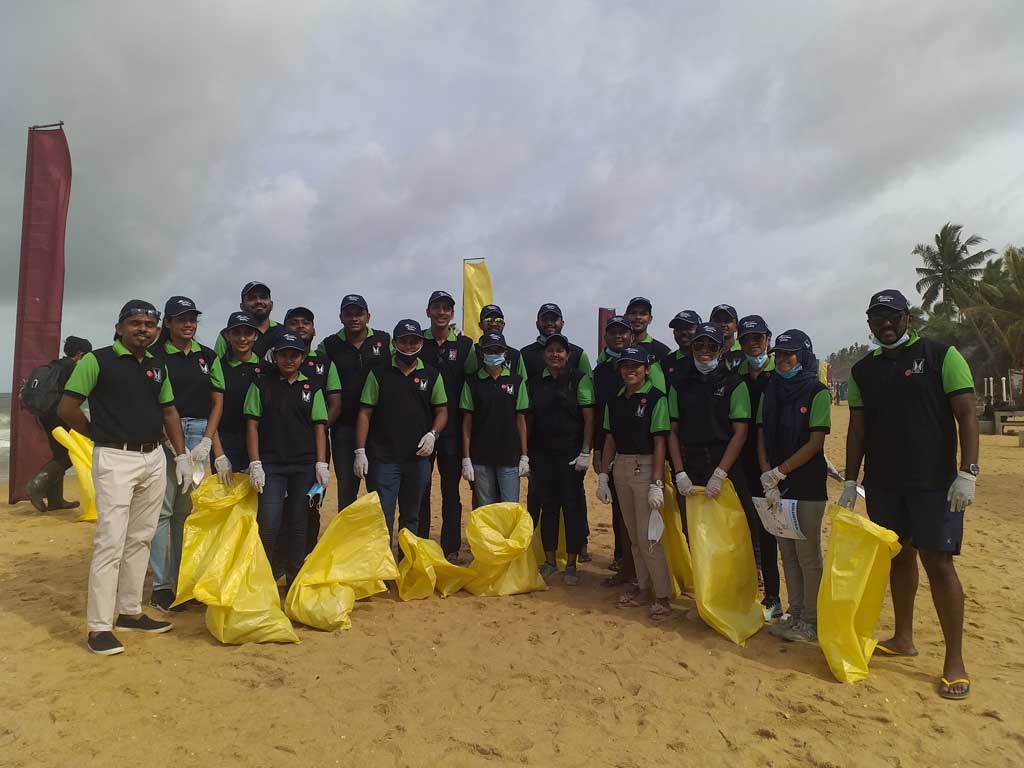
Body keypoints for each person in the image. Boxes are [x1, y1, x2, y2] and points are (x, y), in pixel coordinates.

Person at [840, 289, 978, 701]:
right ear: (868, 323)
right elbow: (857, 430)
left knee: (939, 563)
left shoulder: (941, 355)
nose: (884, 323)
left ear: (908, 317)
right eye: (876, 317)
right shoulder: (863, 371)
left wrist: (968, 472)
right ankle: (903, 637)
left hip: (935, 484)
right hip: (884, 483)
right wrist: (850, 480)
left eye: (891, 316)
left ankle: (954, 661)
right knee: (898, 558)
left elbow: (967, 413)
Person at [58, 300, 192, 656]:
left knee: (141, 539)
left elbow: (169, 412)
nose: (143, 329)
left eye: (150, 324)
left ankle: (130, 611)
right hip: (115, 458)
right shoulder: (96, 361)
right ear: (120, 328)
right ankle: (99, 627)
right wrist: (99, 436)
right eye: (136, 323)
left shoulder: (157, 365)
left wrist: (181, 456)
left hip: (152, 458)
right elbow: (67, 408)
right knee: (110, 542)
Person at [147, 296, 223, 612]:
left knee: (187, 511)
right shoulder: (155, 355)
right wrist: (168, 439)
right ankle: (163, 586)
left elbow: (218, 400)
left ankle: (184, 579)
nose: (188, 324)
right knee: (163, 511)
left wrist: (208, 441)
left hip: (199, 433)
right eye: (181, 319)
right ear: (168, 323)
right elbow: (154, 400)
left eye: (192, 318)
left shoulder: (207, 356)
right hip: (166, 435)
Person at [757, 329, 831, 642]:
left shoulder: (817, 391)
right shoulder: (769, 389)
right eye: (779, 355)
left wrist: (780, 472)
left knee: (808, 556)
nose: (783, 360)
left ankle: (811, 621)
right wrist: (767, 475)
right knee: (786, 553)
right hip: (775, 487)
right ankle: (794, 613)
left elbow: (815, 442)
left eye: (790, 354)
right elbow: (760, 434)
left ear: (803, 356)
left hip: (806, 485)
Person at [243, 332, 329, 584]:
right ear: (275, 356)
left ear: (302, 358)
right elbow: (251, 426)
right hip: (272, 465)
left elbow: (319, 427)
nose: (289, 360)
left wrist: (321, 463)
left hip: (303, 465)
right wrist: (255, 462)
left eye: (294, 355)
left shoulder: (312, 387)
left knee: (299, 521)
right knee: (269, 522)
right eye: (284, 355)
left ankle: (294, 576)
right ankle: (264, 577)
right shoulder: (261, 385)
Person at [596, 346, 673, 620]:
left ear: (646, 369)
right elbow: (609, 439)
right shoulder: (615, 401)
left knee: (649, 536)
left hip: (646, 467)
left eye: (636, 366)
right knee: (632, 536)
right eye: (626, 366)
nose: (631, 370)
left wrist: (657, 482)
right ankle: (643, 587)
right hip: (622, 468)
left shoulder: (655, 398)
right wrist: (603, 475)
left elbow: (660, 441)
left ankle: (662, 595)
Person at [356, 319, 448, 546]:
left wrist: (433, 434)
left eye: (414, 341)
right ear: (395, 342)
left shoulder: (432, 375)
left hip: (417, 459)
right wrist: (360, 450)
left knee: (412, 516)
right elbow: (365, 413)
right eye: (404, 341)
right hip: (384, 458)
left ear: (421, 343)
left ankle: (407, 567)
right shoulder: (379, 374)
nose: (409, 346)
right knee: (382, 516)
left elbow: (442, 410)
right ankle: (385, 573)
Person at [666, 323, 755, 553]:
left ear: (721, 349)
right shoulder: (679, 383)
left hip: (724, 466)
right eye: (699, 344)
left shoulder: (734, 383)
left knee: (732, 528)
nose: (704, 350)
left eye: (712, 346)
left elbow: (741, 433)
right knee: (693, 529)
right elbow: (672, 431)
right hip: (690, 465)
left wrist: (720, 473)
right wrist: (679, 473)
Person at [520, 302, 594, 560]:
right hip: (541, 453)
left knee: (572, 504)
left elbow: (588, 415)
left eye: (560, 351)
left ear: (567, 353)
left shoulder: (579, 373)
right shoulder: (532, 376)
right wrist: (525, 453)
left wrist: (586, 450)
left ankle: (576, 554)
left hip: (571, 454)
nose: (555, 355)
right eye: (550, 351)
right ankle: (546, 556)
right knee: (545, 504)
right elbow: (527, 418)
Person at [316, 294, 392, 510]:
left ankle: (377, 540)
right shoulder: (329, 345)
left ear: (368, 316)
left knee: (379, 491)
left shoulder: (385, 341)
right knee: (347, 491)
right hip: (344, 429)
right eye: (348, 314)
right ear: (340, 317)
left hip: (379, 430)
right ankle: (347, 541)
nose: (354, 318)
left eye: (359, 313)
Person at [417, 290, 474, 557]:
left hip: (452, 431)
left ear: (452, 313)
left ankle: (450, 549)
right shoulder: (416, 342)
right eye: (436, 307)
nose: (441, 312)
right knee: (420, 490)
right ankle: (420, 546)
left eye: (446, 308)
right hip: (419, 430)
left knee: (450, 492)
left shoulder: (465, 346)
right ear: (427, 312)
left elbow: (475, 385)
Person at [735, 314, 782, 620]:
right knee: (745, 525)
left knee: (772, 531)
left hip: (775, 464)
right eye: (747, 339)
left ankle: (774, 597)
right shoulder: (734, 376)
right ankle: (745, 590)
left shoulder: (783, 373)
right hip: (741, 462)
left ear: (768, 338)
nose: (753, 344)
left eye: (758, 338)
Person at [460, 332, 530, 507]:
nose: (493, 354)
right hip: (480, 456)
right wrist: (466, 458)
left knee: (509, 508)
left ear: (505, 353)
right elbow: (467, 423)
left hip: (509, 455)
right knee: (486, 509)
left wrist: (524, 455)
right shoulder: (472, 383)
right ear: (482, 353)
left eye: (497, 350)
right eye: (489, 350)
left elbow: (521, 420)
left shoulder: (516, 381)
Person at [24, 335, 93, 512]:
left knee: (59, 453)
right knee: (69, 454)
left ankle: (55, 500)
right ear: (80, 354)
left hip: (47, 416)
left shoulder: (55, 366)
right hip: (61, 417)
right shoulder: (71, 368)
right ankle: (37, 484)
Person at [591, 315, 636, 581]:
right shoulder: (600, 372)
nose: (618, 336)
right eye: (614, 332)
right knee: (618, 508)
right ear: (606, 337)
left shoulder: (646, 365)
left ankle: (638, 568)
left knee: (640, 512)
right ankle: (621, 558)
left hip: (641, 450)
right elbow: (597, 414)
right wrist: (597, 451)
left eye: (623, 332)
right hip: (611, 447)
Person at [211, 312, 263, 475]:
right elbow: (211, 410)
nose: (242, 339)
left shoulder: (268, 370)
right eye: (236, 333)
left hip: (261, 443)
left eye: (247, 333)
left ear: (255, 336)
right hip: (225, 441)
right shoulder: (217, 367)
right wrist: (219, 454)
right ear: (227, 336)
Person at [214, 281, 285, 360]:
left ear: (271, 304)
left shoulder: (284, 332)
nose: (258, 301)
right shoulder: (226, 334)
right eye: (252, 298)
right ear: (242, 306)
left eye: (263, 297)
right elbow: (216, 365)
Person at [474, 304, 527, 377]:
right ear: (480, 325)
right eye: (488, 320)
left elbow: (523, 383)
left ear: (503, 325)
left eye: (499, 321)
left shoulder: (515, 355)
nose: (494, 324)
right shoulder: (471, 352)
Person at [661, 310, 701, 393]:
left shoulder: (708, 361)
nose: (683, 332)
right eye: (679, 328)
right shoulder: (665, 363)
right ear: (674, 333)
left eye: (689, 328)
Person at [624, 296, 671, 361]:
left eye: (643, 314)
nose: (638, 317)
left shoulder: (662, 351)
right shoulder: (615, 348)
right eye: (633, 313)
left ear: (650, 319)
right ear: (625, 317)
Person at [710, 303, 745, 371]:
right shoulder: (700, 350)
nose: (722, 324)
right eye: (717, 320)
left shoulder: (745, 349)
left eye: (727, 320)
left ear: (736, 326)